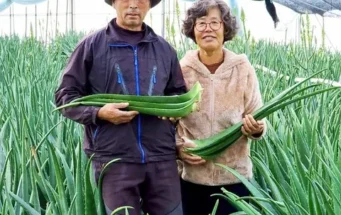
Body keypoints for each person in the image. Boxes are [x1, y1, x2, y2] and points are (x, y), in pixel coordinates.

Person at [54, 0, 186, 214]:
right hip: (114, 157)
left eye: (141, 0)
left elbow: (177, 91)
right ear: (114, 3)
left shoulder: (164, 49)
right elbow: (65, 96)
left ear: (150, 5)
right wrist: (99, 113)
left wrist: (172, 110)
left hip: (161, 157)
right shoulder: (92, 45)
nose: (133, 5)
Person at [176, 0, 267, 214]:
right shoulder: (181, 70)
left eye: (215, 22)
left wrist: (257, 128)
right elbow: (168, 121)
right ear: (193, 30)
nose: (208, 29)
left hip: (235, 178)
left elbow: (258, 115)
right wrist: (178, 149)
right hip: (192, 179)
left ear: (225, 28)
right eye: (201, 23)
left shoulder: (242, 68)